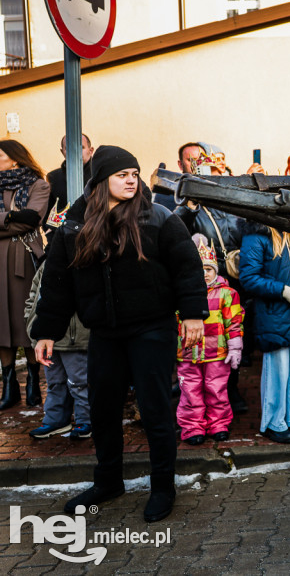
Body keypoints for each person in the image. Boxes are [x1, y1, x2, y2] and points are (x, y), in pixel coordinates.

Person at [31, 145, 208, 523]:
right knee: (103, 409)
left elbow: (187, 268)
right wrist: (46, 330)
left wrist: (193, 314)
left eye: (134, 173)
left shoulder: (157, 217)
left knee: (156, 410)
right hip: (105, 334)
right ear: (100, 181)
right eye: (121, 175)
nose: (131, 180)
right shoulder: (74, 223)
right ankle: (109, 481)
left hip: (152, 329)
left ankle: (163, 487)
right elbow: (58, 281)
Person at [238, 222, 290, 444]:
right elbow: (249, 278)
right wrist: (282, 291)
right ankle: (274, 422)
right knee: (278, 371)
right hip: (274, 314)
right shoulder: (256, 236)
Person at [177, 235, 244, 445]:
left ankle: (218, 424)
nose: (204, 274)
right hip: (188, 353)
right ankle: (192, 427)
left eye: (208, 269)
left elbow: (234, 322)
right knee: (190, 392)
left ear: (215, 270)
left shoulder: (227, 294)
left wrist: (235, 348)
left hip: (218, 353)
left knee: (216, 390)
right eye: (199, 270)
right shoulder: (181, 294)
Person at [0, 140, 49, 411]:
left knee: (26, 320)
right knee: (1, 324)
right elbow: (20, 219)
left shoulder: (38, 185)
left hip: (23, 261)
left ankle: (33, 381)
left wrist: (7, 219)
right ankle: (9, 387)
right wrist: (11, 218)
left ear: (15, 160)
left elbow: (32, 219)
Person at [24, 262, 91, 439]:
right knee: (54, 382)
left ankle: (86, 419)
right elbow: (34, 292)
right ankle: (56, 419)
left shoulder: (82, 258)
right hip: (47, 338)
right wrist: (30, 318)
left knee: (79, 382)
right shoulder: (49, 262)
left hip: (75, 339)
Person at [44, 133, 94, 236]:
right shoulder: (53, 177)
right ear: (62, 152)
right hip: (63, 237)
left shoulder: (100, 174)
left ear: (91, 150)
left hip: (96, 235)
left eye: (81, 147)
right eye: (69, 148)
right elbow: (48, 211)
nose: (75, 152)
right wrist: (50, 232)